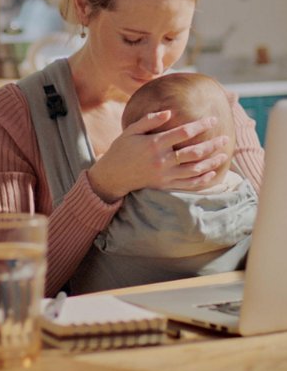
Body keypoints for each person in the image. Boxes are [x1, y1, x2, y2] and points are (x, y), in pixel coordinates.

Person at [0, 0, 265, 296]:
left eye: (174, 37)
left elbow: (282, 239)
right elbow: (3, 293)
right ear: (83, 6)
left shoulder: (217, 108)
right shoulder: (10, 117)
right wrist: (104, 184)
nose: (155, 63)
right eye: (133, 38)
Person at [84, 72, 258, 290]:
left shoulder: (134, 201)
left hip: (129, 305)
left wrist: (106, 168)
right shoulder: (244, 196)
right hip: (217, 299)